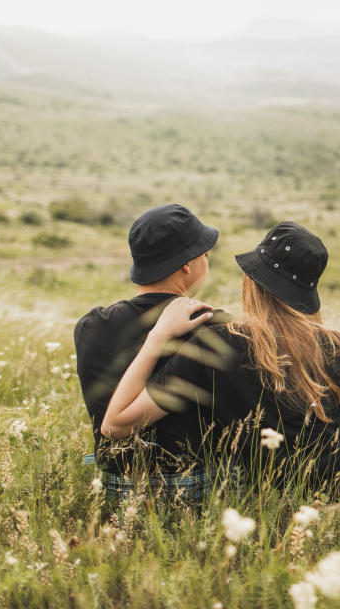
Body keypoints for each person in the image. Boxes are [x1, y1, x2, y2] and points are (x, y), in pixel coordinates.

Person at [100, 221, 340, 500]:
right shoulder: (332, 343)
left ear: (251, 282)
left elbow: (115, 426)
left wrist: (158, 337)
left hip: (276, 495)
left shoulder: (214, 343)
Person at [74, 204, 231, 502]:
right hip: (192, 483)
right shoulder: (213, 326)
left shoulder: (91, 325)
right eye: (205, 256)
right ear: (188, 265)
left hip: (113, 482)